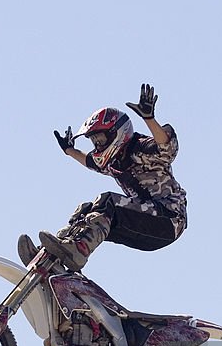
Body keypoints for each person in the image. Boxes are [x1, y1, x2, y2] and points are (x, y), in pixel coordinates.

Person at [19, 83, 187, 271]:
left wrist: (149, 118)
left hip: (168, 219)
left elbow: (167, 147)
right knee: (87, 210)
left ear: (117, 133)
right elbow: (91, 162)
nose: (97, 146)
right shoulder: (113, 162)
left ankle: (79, 251)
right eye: (94, 141)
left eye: (99, 140)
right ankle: (54, 254)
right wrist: (69, 150)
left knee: (107, 200)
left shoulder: (140, 148)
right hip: (143, 223)